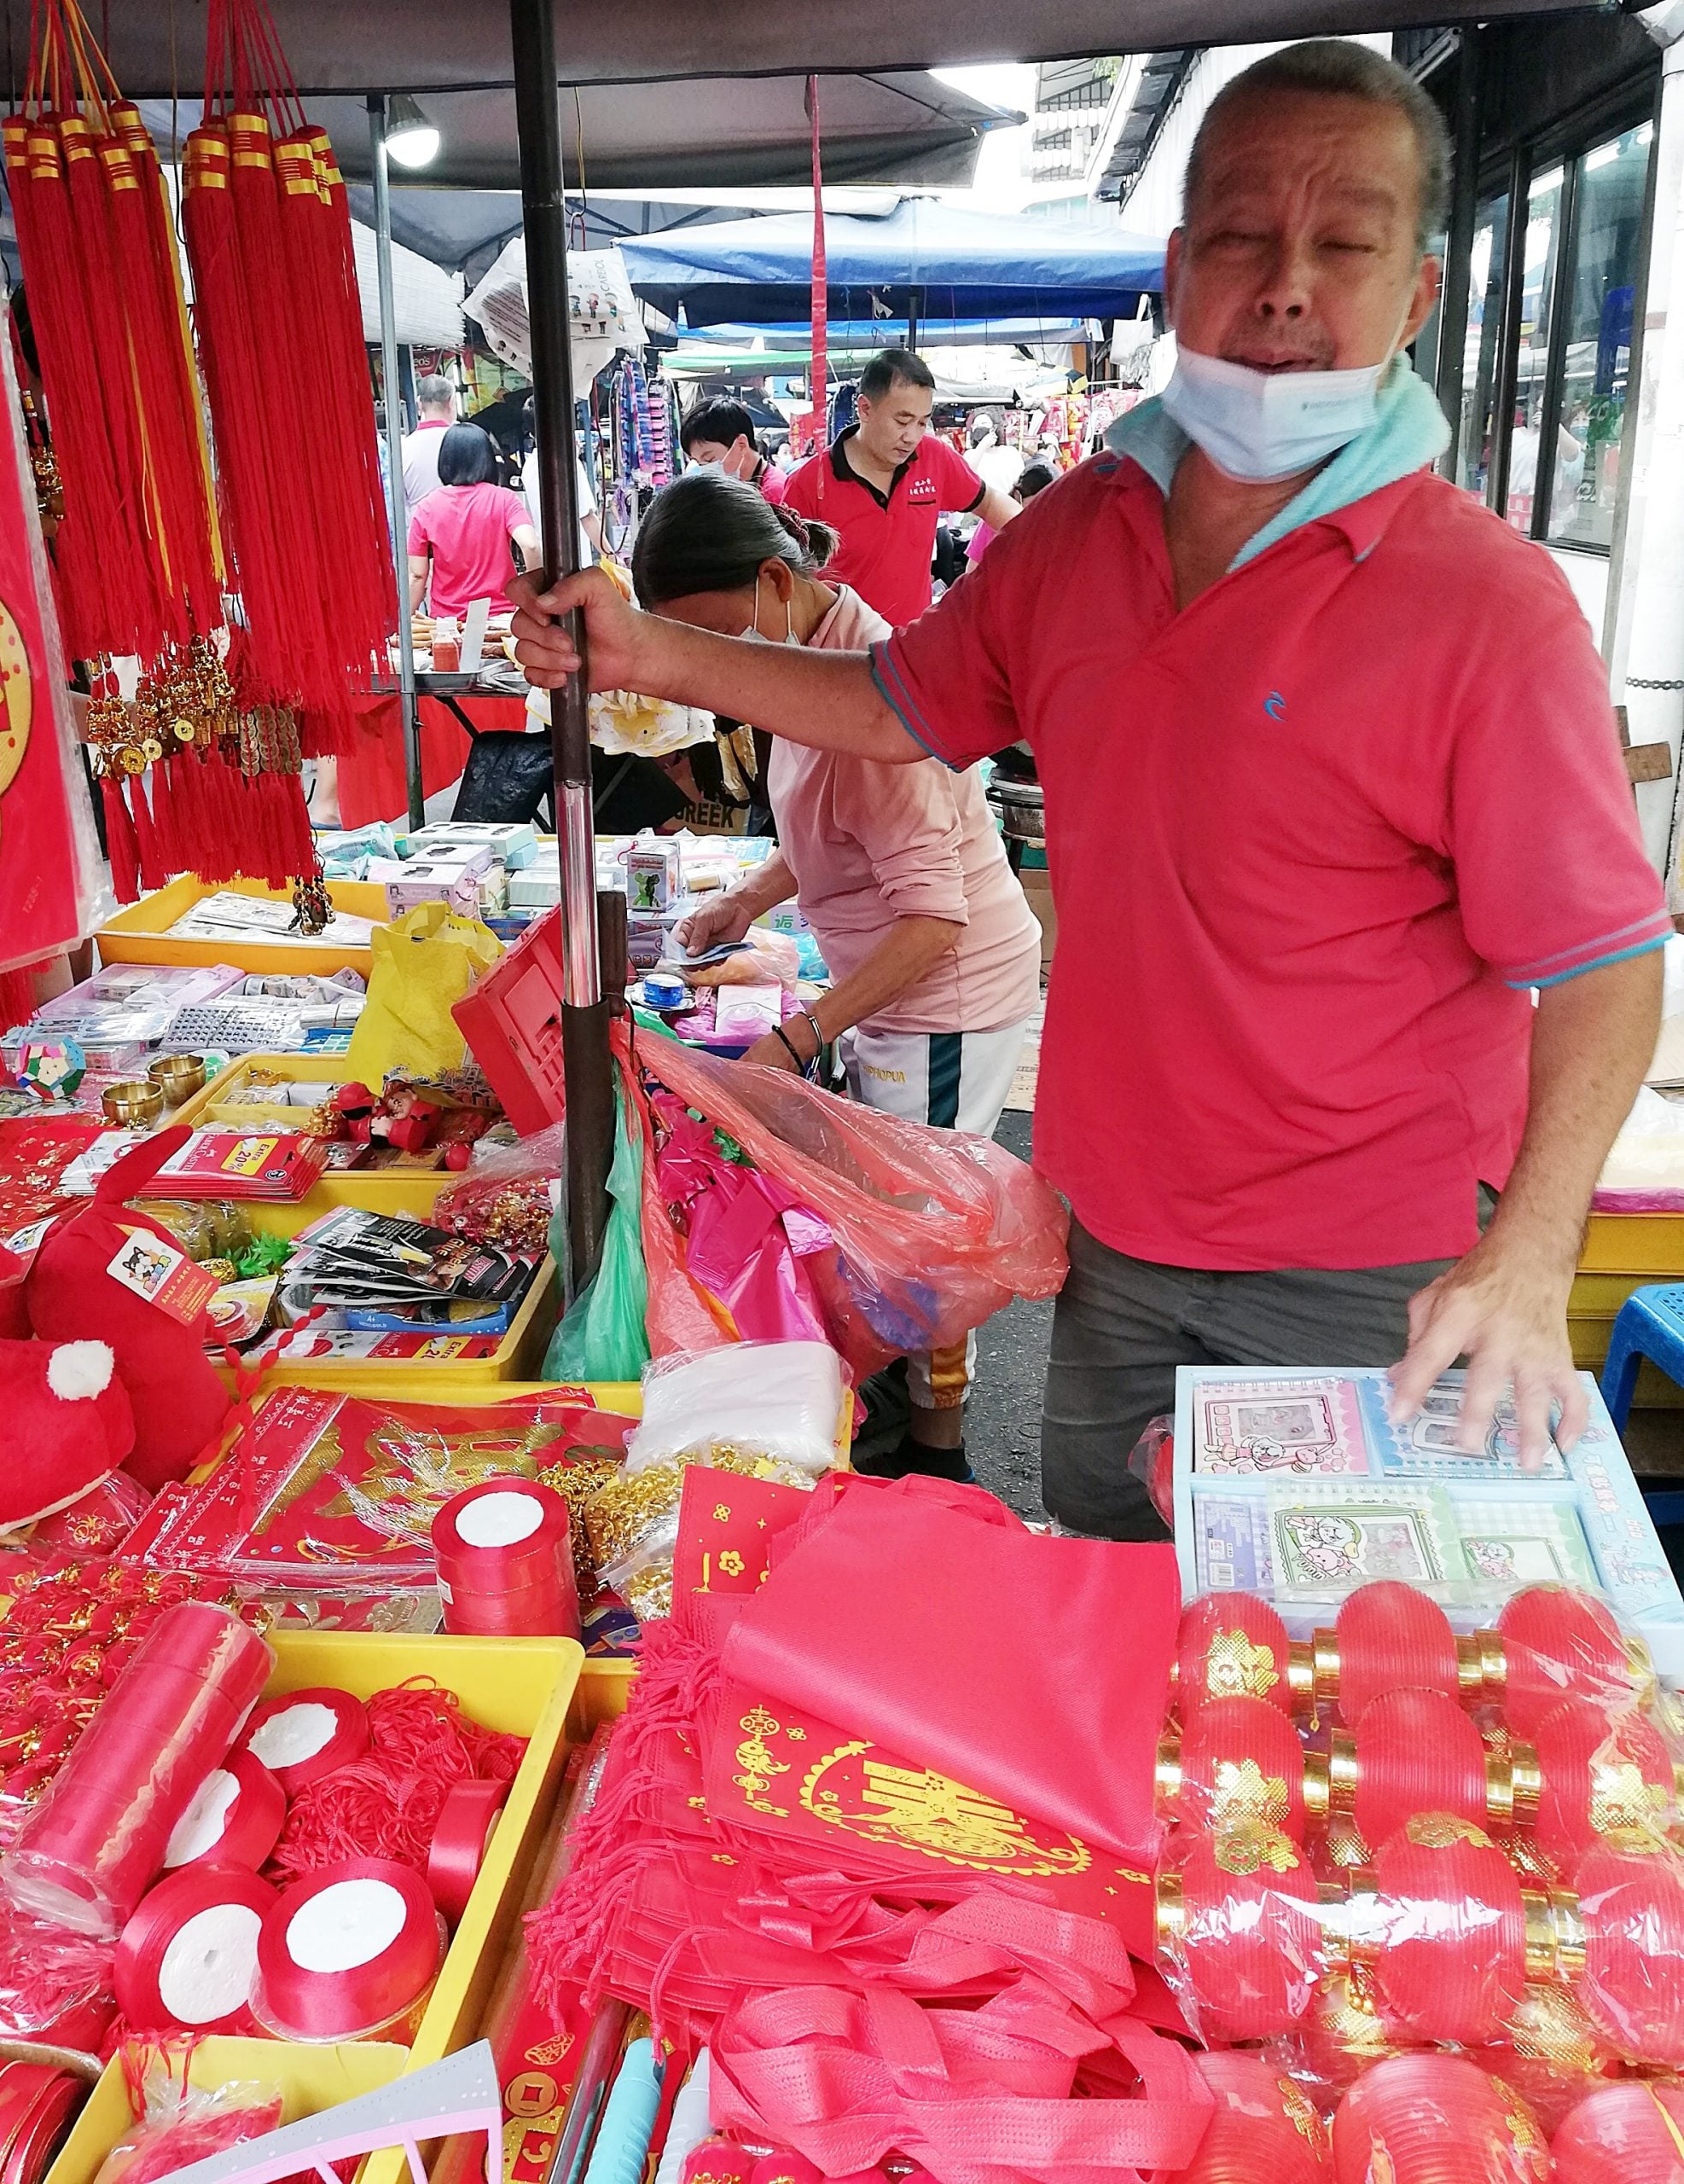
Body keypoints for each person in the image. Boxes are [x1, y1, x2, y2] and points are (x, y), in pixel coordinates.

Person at [513, 39, 1669, 1534]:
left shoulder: (1487, 605)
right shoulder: (1078, 535)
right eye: (1244, 237)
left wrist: (1531, 1254)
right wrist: (649, 649)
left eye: (1345, 245)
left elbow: (1602, 963)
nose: (1285, 288)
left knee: (1300, 1685)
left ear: (1417, 293)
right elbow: (888, 702)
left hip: (1367, 1268)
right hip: (1115, 1241)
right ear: (1180, 267)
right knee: (1106, 1615)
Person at [636, 472, 1042, 1481]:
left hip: (943, 1005)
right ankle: (901, 1418)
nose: (713, 674)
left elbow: (933, 920)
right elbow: (839, 840)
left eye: (715, 643)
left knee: (926, 1239)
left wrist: (800, 1036)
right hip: (897, 988)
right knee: (887, 1224)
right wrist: (753, 900)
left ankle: (938, 1452)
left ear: (776, 580)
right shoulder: (810, 659)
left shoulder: (861, 689)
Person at [781, 349, 1020, 626]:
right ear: (865, 408)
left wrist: (1041, 544)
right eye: (902, 421)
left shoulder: (934, 458)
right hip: (837, 653)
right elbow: (787, 580)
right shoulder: (810, 483)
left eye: (922, 422)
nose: (912, 437)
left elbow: (992, 504)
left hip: (908, 649)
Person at [407, 423, 538, 620]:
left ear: (446, 461)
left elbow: (417, 576)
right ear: (487, 459)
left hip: (449, 624)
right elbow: (531, 545)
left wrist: (405, 625)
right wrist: (534, 598)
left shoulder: (427, 507)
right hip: (501, 620)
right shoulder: (504, 499)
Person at [516, 397, 605, 566]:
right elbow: (587, 517)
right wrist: (611, 555)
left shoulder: (529, 467)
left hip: (548, 560)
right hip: (574, 560)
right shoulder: (568, 462)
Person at [681, 398, 788, 505]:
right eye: (699, 463)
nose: (705, 470)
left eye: (709, 460)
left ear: (741, 445)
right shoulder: (736, 488)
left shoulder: (775, 494)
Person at [967, 458, 1056, 569]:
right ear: (1018, 495)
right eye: (1035, 502)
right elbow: (972, 568)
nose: (1040, 508)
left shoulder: (1047, 528)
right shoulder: (992, 519)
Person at [399, 375, 458, 520]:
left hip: (420, 532)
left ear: (419, 404)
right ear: (450, 402)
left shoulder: (403, 448)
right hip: (461, 529)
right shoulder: (465, 442)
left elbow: (400, 505)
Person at [966, 412, 1025, 499]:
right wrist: (983, 445)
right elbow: (967, 473)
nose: (980, 427)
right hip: (980, 504)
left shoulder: (1010, 452)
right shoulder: (970, 454)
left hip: (1006, 502)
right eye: (976, 425)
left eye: (984, 423)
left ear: (994, 428)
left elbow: (1020, 481)